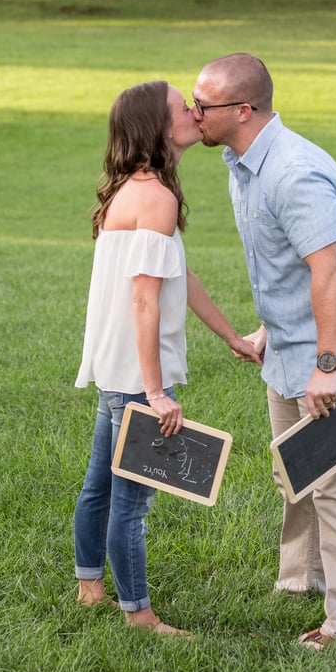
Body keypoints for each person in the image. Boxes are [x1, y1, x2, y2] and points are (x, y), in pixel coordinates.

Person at [192, 53, 336, 650]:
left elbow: (329, 271)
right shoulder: (243, 162)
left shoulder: (294, 173)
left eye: (202, 104)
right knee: (295, 472)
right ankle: (300, 578)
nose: (191, 112)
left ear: (242, 110)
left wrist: (327, 367)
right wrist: (265, 328)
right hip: (287, 348)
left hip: (334, 354)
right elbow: (281, 264)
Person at [73, 80, 261, 636]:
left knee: (100, 486)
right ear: (159, 127)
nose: (195, 112)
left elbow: (179, 276)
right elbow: (143, 299)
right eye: (184, 107)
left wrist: (231, 336)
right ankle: (140, 616)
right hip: (135, 375)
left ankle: (90, 587)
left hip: (115, 367)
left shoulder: (136, 189)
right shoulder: (156, 197)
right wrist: (155, 394)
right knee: (131, 502)